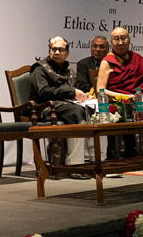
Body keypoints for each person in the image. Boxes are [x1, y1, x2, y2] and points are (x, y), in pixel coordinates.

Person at [30, 36, 108, 179]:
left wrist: (85, 96)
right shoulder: (39, 69)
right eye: (54, 49)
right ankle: (75, 165)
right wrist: (71, 92)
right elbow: (43, 92)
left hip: (67, 105)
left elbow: (75, 89)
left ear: (67, 52)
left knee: (96, 109)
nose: (57, 52)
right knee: (77, 112)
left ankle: (97, 160)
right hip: (47, 108)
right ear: (49, 51)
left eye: (61, 49)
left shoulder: (69, 70)